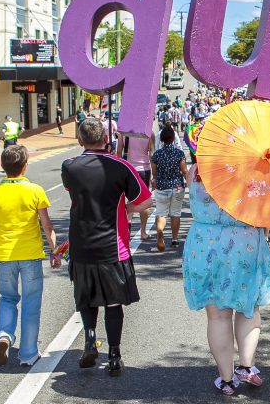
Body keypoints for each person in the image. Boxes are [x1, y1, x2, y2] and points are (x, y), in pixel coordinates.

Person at [183, 162, 270, 395]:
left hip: (204, 245)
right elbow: (264, 215)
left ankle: (227, 380)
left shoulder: (197, 169)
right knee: (248, 308)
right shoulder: (255, 171)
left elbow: (193, 202)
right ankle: (246, 366)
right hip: (244, 242)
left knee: (218, 316)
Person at [61, 118, 152, 377]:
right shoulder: (121, 166)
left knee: (85, 297)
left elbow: (72, 192)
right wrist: (124, 208)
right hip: (113, 245)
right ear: (106, 139)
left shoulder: (69, 166)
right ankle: (114, 355)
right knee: (113, 303)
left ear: (80, 141)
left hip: (81, 244)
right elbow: (144, 201)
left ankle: (90, 339)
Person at [0, 145, 60, 367]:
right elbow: (47, 225)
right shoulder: (35, 191)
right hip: (30, 255)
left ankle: (4, 335)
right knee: (31, 302)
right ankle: (27, 353)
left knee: (7, 298)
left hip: (5, 256)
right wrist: (54, 251)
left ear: (3, 167)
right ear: (25, 166)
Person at [150, 127, 187, 251]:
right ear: (173, 139)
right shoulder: (179, 153)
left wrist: (155, 179)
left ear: (161, 139)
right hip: (177, 187)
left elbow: (154, 173)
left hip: (162, 187)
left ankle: (160, 231)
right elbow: (184, 170)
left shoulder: (157, 154)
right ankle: (175, 240)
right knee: (176, 213)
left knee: (161, 213)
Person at [117, 134, 155, 240]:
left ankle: (127, 227)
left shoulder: (123, 132)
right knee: (144, 200)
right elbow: (152, 154)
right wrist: (155, 175)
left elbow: (119, 152)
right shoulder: (148, 131)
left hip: (127, 168)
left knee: (130, 199)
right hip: (143, 169)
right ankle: (143, 232)